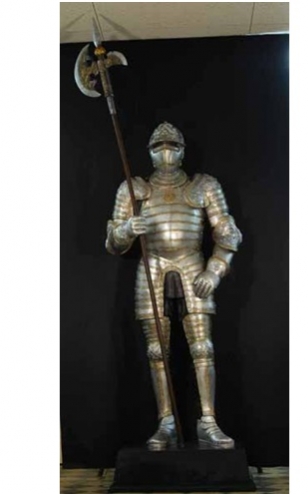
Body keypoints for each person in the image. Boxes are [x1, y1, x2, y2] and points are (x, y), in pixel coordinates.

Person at [106, 122, 242, 449]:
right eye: (158, 147)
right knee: (157, 351)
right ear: (150, 153)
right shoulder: (133, 189)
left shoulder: (204, 186)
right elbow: (112, 243)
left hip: (192, 263)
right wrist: (127, 229)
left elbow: (228, 234)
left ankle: (208, 421)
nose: (166, 152)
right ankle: (165, 422)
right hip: (151, 266)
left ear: (182, 151)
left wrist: (214, 272)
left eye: (172, 146)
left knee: (203, 347)